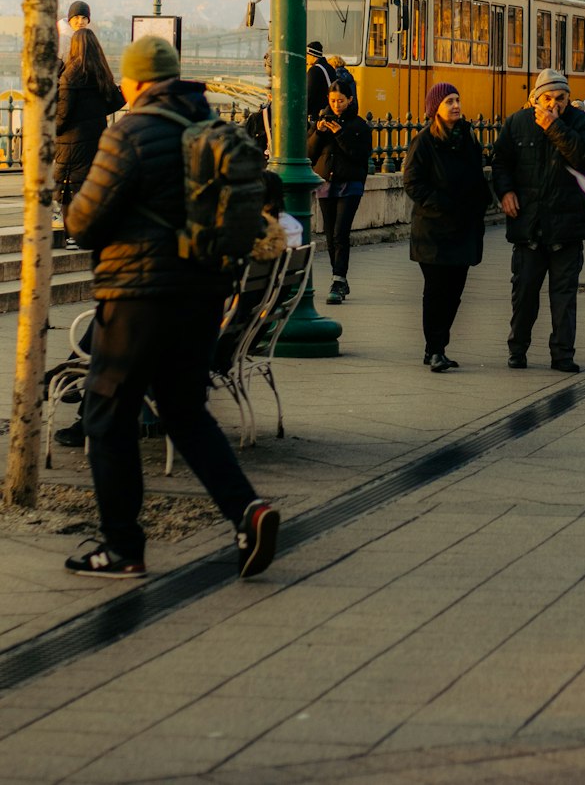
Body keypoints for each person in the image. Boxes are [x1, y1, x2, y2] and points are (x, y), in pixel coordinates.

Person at [64, 34, 279, 581]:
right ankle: (247, 512)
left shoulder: (130, 133)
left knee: (106, 415)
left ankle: (121, 547)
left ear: (134, 83)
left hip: (139, 298)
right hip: (203, 294)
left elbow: (84, 224)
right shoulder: (204, 126)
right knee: (184, 412)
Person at [491, 68, 585, 373]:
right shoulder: (517, 124)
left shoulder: (581, 124)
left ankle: (562, 354)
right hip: (529, 225)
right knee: (524, 293)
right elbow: (500, 162)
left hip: (567, 227)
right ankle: (518, 349)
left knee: (563, 298)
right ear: (534, 99)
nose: (554, 104)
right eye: (548, 98)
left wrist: (555, 127)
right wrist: (506, 192)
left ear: (569, 98)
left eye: (561, 98)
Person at [402, 82, 492, 373]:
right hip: (433, 230)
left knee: (454, 293)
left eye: (457, 99)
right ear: (435, 109)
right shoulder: (424, 141)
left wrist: (482, 201)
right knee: (436, 291)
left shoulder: (468, 138)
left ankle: (436, 347)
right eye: (448, 101)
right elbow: (412, 182)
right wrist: (441, 202)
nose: (455, 105)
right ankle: (436, 348)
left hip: (464, 227)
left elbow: (477, 176)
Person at [54, 28, 125, 238]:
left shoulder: (69, 75)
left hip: (71, 143)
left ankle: (72, 235)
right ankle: (87, 232)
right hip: (95, 140)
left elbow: (62, 116)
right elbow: (115, 101)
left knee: (68, 191)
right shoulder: (101, 72)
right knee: (87, 187)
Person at [307, 77, 372, 305]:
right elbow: (309, 154)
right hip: (326, 184)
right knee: (329, 233)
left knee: (340, 232)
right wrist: (318, 132)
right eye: (333, 101)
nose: (336, 105)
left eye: (341, 101)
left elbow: (360, 155)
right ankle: (340, 278)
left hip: (350, 184)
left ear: (350, 99)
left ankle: (338, 279)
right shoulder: (320, 122)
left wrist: (339, 133)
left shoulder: (359, 125)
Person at [306, 39, 355, 122]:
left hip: (318, 115)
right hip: (330, 113)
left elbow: (309, 95)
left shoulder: (314, 70)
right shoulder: (330, 68)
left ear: (311, 55)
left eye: (307, 55)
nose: (306, 58)